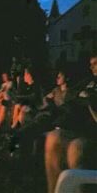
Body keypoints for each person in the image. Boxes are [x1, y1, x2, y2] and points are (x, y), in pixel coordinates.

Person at [44, 56, 97, 193]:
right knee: (53, 137)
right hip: (82, 129)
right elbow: (71, 105)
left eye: (96, 63)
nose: (91, 67)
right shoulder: (88, 83)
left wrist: (90, 102)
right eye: (91, 64)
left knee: (76, 148)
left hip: (92, 134)